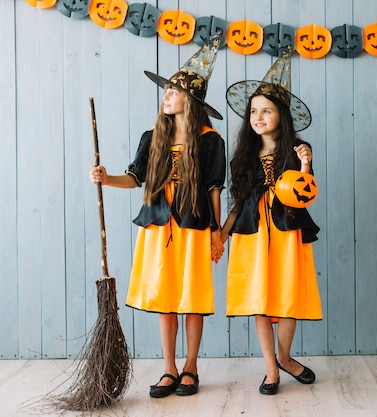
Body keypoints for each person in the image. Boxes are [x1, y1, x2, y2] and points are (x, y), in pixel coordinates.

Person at [89, 37, 226, 398]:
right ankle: (169, 368)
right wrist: (106, 178)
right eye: (165, 90)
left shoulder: (211, 141)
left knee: (192, 297)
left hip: (194, 228)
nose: (165, 95)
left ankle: (191, 367)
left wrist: (217, 232)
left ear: (191, 101)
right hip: (157, 226)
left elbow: (214, 188)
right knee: (166, 298)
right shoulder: (152, 138)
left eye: (172, 91)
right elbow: (135, 178)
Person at [221, 49, 323, 395]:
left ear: (282, 115)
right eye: (254, 111)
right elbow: (236, 203)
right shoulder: (243, 155)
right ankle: (271, 369)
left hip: (286, 230)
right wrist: (221, 236)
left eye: (266, 111)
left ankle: (285, 356)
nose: (259, 117)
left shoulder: (296, 149)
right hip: (251, 234)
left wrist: (306, 166)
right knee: (258, 299)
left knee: (287, 297)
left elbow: (304, 193)